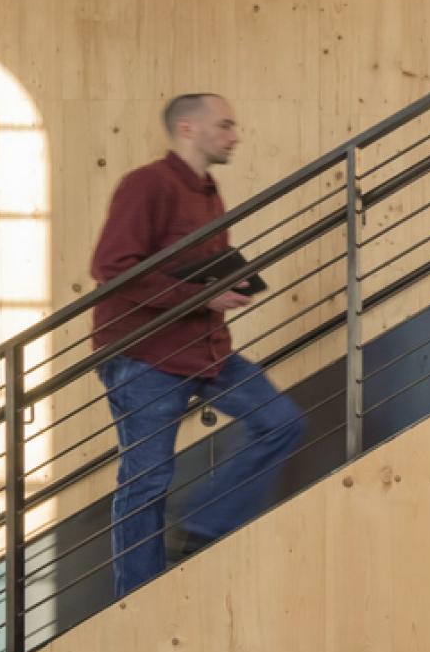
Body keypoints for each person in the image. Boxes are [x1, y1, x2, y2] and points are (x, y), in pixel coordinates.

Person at [88, 92, 303, 594]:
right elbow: (112, 270)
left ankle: (206, 523)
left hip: (205, 351)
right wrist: (204, 294)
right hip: (145, 357)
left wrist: (229, 288)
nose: (235, 135)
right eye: (225, 125)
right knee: (147, 482)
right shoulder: (146, 185)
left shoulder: (210, 193)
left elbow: (205, 274)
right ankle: (137, 599)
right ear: (188, 129)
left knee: (282, 422)